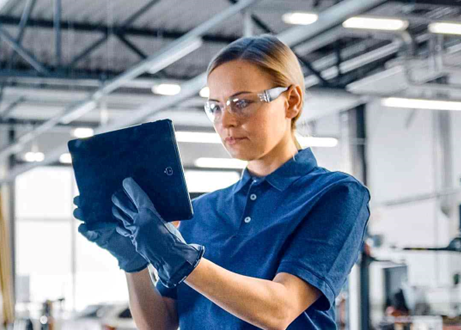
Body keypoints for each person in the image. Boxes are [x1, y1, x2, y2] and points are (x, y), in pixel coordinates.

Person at [73, 34, 371, 329]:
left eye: (241, 102)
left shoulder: (335, 195)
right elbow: (161, 325)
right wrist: (134, 263)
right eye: (215, 106)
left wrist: (183, 261)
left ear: (291, 101)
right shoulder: (200, 210)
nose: (226, 120)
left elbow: (280, 310)